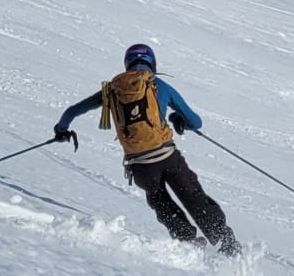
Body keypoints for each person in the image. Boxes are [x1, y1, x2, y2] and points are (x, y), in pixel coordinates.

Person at [55, 43, 240, 254]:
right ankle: (226, 242)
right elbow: (196, 122)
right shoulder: (158, 85)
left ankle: (189, 243)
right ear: (152, 62)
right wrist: (179, 120)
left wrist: (61, 130)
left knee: (160, 201)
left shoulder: (112, 90)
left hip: (139, 165)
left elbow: (71, 111)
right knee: (192, 196)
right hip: (168, 158)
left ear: (127, 64)